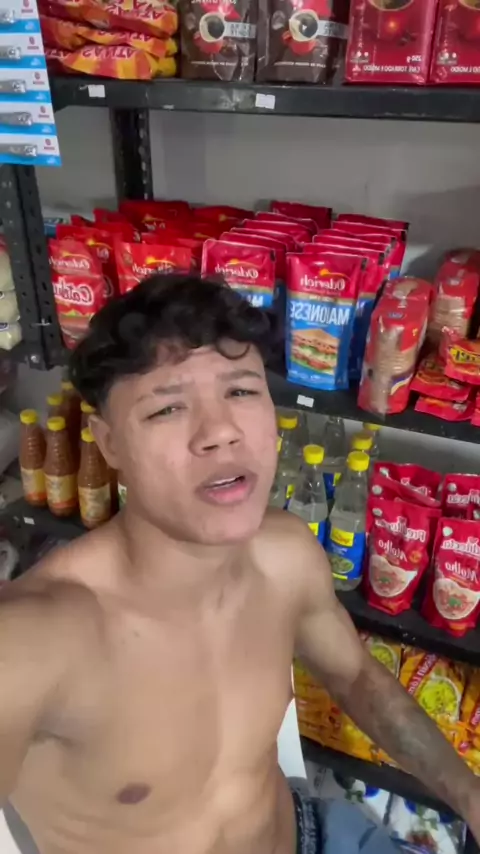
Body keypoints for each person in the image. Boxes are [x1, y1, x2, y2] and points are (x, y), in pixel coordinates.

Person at [0, 274, 479, 854]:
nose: (221, 432)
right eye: (167, 407)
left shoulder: (285, 555)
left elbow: (355, 676)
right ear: (109, 443)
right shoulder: (33, 640)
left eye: (242, 391)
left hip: (307, 836)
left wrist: (470, 796)